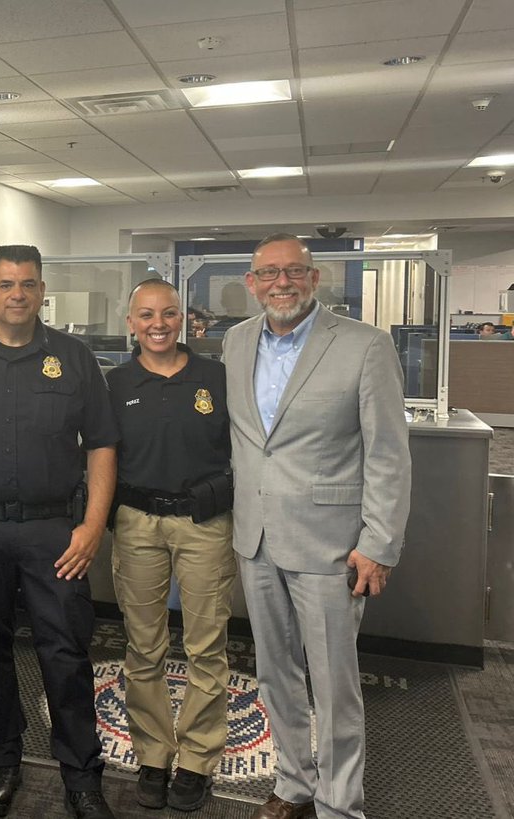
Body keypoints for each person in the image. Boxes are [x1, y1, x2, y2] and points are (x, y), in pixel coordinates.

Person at [223, 234, 411, 819]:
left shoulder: (364, 346)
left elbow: (388, 454)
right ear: (251, 283)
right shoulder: (235, 341)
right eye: (268, 274)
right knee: (274, 672)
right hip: (256, 540)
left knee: (334, 686)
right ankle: (293, 783)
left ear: (316, 277)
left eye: (294, 272)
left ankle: (338, 802)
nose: (282, 283)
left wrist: (378, 544)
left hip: (331, 547)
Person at [0, 245, 118, 819]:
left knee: (64, 651)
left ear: (42, 293)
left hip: (54, 533)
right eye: (7, 283)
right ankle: (2, 759)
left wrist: (92, 527)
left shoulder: (74, 357)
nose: (18, 293)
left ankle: (81, 774)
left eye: (28, 284)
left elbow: (103, 444)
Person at [105, 280, 234, 812]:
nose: (158, 324)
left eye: (169, 313)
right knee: (144, 646)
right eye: (146, 314)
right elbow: (100, 455)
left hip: (203, 523)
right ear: (130, 322)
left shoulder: (218, 377)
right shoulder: (115, 383)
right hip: (137, 523)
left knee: (206, 646)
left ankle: (199, 760)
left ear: (185, 319)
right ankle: (154, 755)